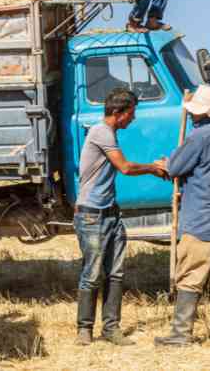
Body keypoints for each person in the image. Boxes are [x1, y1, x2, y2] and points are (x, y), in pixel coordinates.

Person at [74, 87, 168, 346]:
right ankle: (84, 328)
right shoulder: (101, 132)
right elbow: (125, 167)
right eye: (131, 113)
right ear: (118, 113)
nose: (133, 119)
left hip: (111, 214)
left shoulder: (108, 132)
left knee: (115, 274)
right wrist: (153, 168)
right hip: (92, 216)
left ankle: (111, 328)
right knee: (92, 274)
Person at [154, 86, 210, 346]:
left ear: (202, 113)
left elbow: (174, 167)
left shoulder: (199, 136)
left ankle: (181, 334)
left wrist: (165, 163)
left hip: (204, 216)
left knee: (190, 277)